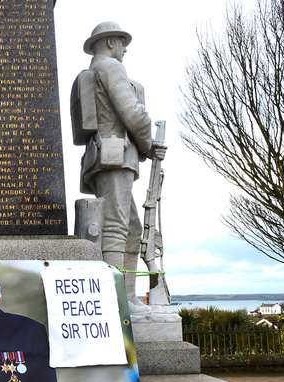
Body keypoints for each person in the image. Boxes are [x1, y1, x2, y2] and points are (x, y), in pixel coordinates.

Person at [77, 22, 166, 312]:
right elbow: (133, 114)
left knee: (130, 227)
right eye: (122, 42)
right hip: (116, 154)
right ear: (111, 42)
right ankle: (116, 302)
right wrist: (148, 143)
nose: (125, 49)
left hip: (105, 154)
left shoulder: (97, 69)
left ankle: (125, 299)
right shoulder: (111, 68)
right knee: (116, 227)